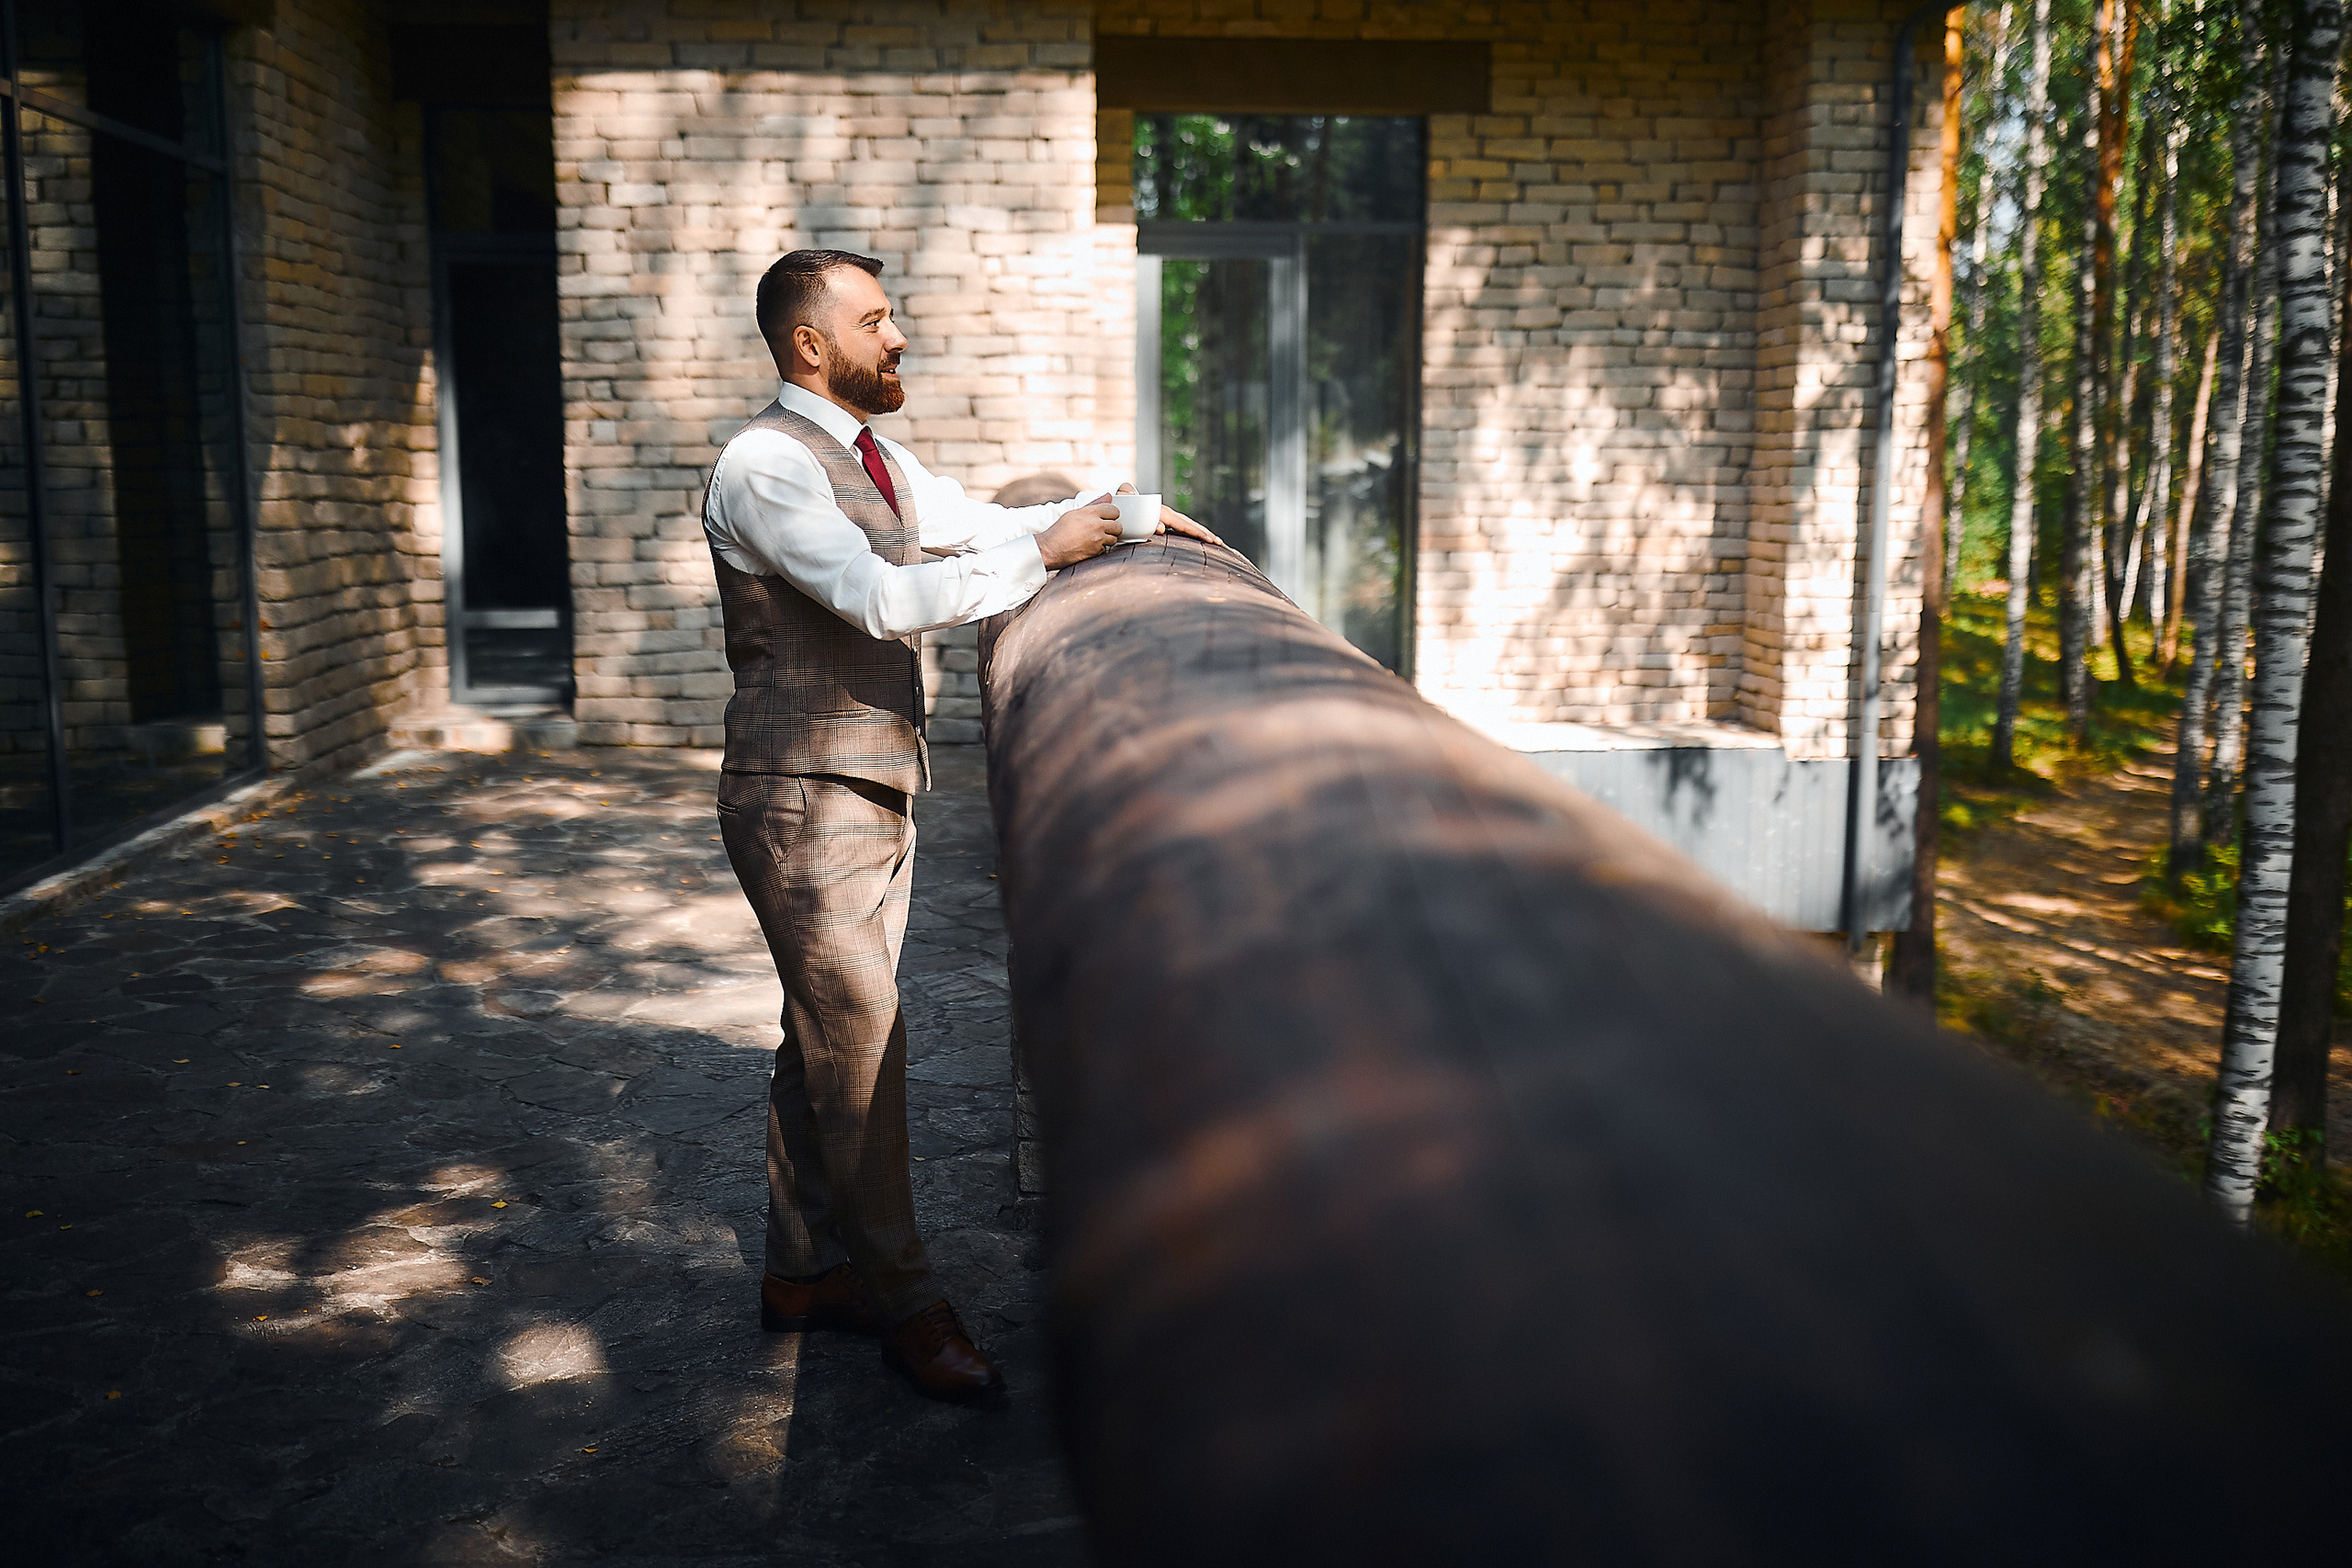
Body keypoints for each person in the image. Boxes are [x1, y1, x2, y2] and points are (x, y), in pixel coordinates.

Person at [703, 248, 1216, 1401]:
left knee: (822, 1036)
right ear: (810, 346)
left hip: (869, 782)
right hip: (800, 796)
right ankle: (905, 1301)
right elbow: (879, 597)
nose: (900, 338)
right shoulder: (764, 466)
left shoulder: (869, 455)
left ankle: (801, 1273)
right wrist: (1041, 555)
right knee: (865, 1043)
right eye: (877, 322)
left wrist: (1119, 515)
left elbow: (974, 522)